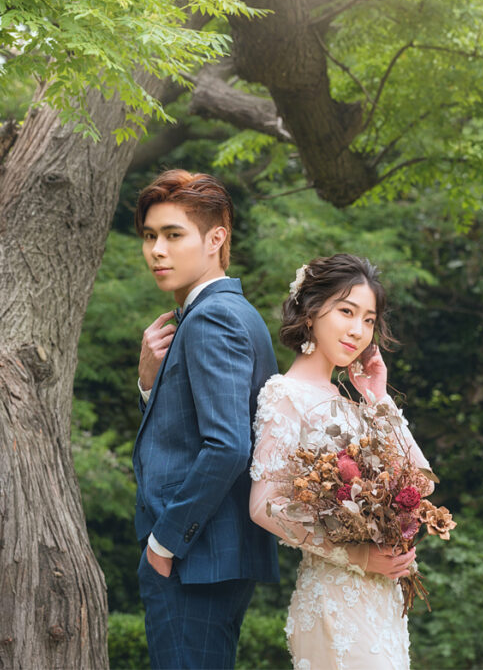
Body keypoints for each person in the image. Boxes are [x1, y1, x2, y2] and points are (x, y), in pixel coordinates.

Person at [249, 253, 434, 670]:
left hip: (380, 599)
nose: (358, 331)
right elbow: (263, 505)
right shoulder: (285, 395)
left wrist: (378, 397)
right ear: (310, 313)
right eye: (346, 312)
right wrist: (358, 557)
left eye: (369, 320)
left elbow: (422, 483)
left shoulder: (352, 404)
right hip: (335, 597)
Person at [131, 169, 279, 669]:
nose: (157, 251)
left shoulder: (213, 317)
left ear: (216, 239)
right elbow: (186, 433)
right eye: (150, 236)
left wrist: (165, 543)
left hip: (193, 558)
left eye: (174, 235)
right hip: (208, 557)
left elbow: (228, 446)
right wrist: (148, 383)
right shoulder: (229, 312)